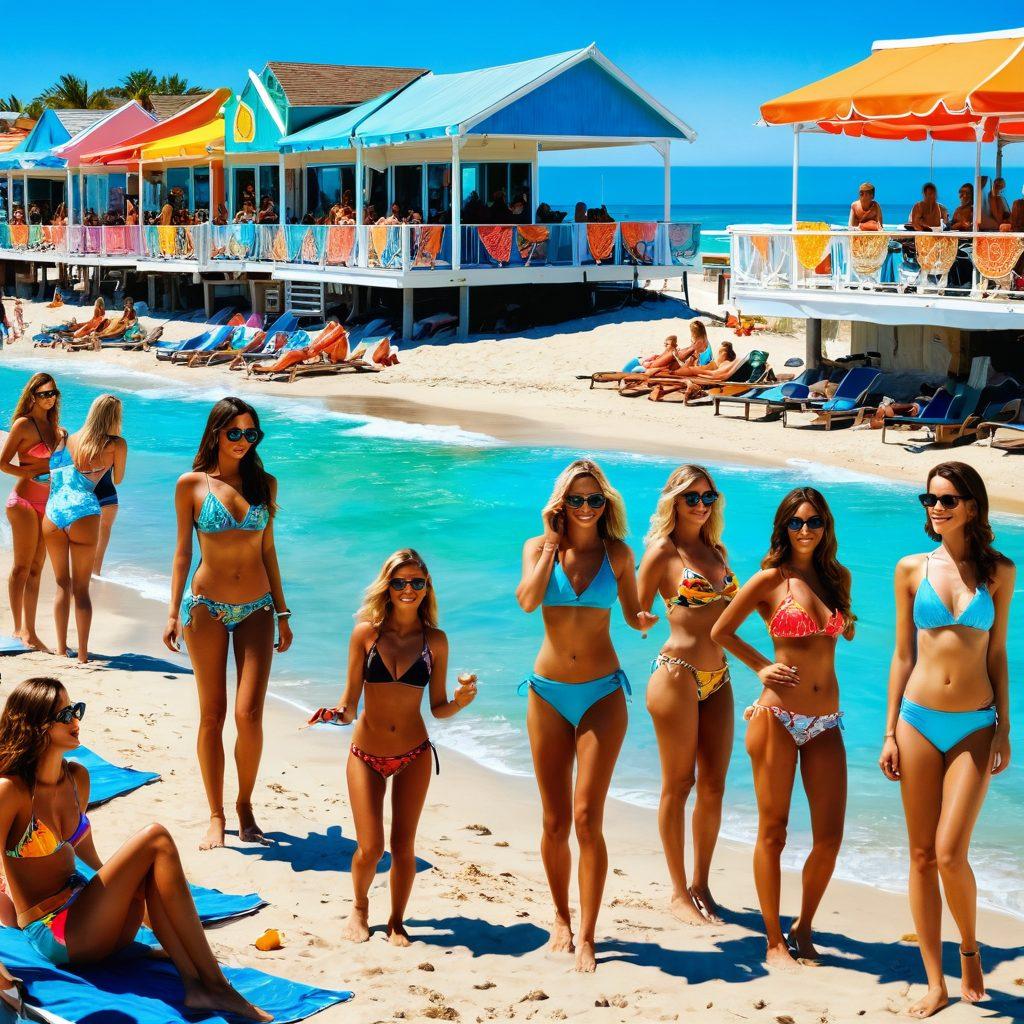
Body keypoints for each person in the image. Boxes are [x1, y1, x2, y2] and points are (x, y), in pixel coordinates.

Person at [0, 676, 270, 1020]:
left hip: (92, 921)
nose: (76, 721)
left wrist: (153, 915)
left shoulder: (76, 778)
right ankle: (215, 986)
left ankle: (196, 983)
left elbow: (93, 861)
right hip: (57, 933)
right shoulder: (11, 791)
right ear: (36, 725)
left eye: (76, 710)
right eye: (65, 714)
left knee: (149, 864)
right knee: (155, 838)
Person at [879, 463, 1013, 1018]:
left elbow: (998, 654)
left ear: (973, 506)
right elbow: (903, 655)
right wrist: (888, 731)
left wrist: (1005, 726)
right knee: (919, 854)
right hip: (916, 720)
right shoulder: (911, 569)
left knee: (950, 851)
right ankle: (936, 982)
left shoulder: (1000, 571)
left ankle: (970, 949)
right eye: (929, 499)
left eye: (949, 500)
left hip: (975, 724)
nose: (937, 508)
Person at [516, 459, 656, 972]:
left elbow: (633, 611)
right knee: (554, 820)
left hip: (601, 693)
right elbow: (529, 602)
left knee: (585, 817)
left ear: (606, 505)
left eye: (594, 500)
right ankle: (560, 917)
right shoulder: (537, 548)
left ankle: (590, 934)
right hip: (547, 692)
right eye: (575, 500)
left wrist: (647, 619)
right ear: (560, 504)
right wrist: (551, 545)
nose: (585, 508)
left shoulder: (619, 553)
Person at [712, 487, 854, 968]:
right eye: (797, 522)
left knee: (829, 838)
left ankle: (805, 925)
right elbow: (721, 631)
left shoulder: (838, 579)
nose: (806, 530)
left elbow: (842, 630)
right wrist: (760, 667)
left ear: (826, 527)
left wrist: (843, 622)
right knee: (773, 832)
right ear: (783, 528)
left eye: (814, 522)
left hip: (826, 721)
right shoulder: (769, 580)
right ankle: (774, 940)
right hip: (777, 717)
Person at [314, 550, 476, 945]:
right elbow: (350, 705)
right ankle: (359, 905)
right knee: (370, 847)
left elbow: (438, 709)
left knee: (403, 845)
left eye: (416, 583)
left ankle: (396, 921)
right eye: (400, 582)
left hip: (413, 755)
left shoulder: (434, 641)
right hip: (365, 755)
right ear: (387, 586)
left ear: (427, 588)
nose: (408, 589)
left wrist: (460, 701)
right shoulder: (365, 634)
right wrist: (333, 715)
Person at [164, 398, 292, 850]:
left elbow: (269, 551)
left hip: (256, 608)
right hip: (206, 609)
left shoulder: (265, 484)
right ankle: (216, 814)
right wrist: (171, 611)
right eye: (234, 432)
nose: (242, 442)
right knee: (212, 714)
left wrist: (282, 609)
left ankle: (245, 805)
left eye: (250, 434)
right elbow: (183, 553)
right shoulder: (191, 485)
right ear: (216, 432)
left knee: (249, 714)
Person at [637, 466, 736, 924]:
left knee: (714, 786)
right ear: (673, 501)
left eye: (707, 496)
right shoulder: (663, 550)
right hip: (676, 673)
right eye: (690, 496)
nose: (700, 504)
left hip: (720, 677)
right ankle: (678, 892)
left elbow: (729, 617)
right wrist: (645, 620)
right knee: (679, 785)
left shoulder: (717, 551)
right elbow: (634, 608)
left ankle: (701, 883)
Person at [43, 395, 125, 665]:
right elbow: (118, 479)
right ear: (115, 418)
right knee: (81, 588)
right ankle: (82, 654)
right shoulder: (115, 444)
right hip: (84, 513)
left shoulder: (66, 438)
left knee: (60, 585)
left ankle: (59, 648)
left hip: (53, 513)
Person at [1, 375, 61, 650]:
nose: (50, 398)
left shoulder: (54, 427)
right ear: (32, 395)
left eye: (53, 393)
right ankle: (17, 629)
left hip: (47, 503)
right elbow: (2, 463)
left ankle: (30, 631)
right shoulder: (24, 424)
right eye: (45, 393)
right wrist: (28, 471)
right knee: (22, 567)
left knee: (37, 569)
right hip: (24, 502)